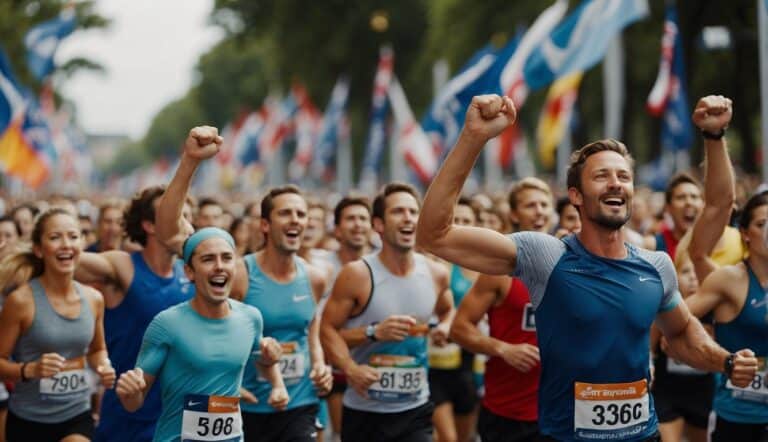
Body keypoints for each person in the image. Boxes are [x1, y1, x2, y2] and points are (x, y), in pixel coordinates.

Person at [416, 94, 758, 441]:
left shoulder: (657, 265)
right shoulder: (546, 255)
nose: (615, 183)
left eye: (623, 176)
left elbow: (682, 333)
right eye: (602, 176)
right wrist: (473, 138)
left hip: (643, 434)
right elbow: (434, 235)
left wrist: (724, 362)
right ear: (575, 195)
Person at [155, 127, 332, 442]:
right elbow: (170, 232)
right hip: (240, 407)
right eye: (286, 213)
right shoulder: (234, 273)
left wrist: (320, 365)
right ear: (265, 224)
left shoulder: (315, 277)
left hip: (298, 402)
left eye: (301, 214)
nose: (296, 220)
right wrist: (189, 162)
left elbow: (311, 331)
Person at [114, 227, 286, 442]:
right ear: (189, 272)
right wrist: (129, 392)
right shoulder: (167, 324)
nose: (219, 267)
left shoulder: (251, 318)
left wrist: (275, 377)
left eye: (226, 258)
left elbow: (260, 357)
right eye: (208, 259)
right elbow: (133, 403)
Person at [321, 182, 454, 442]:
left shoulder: (436, 273)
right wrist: (354, 363)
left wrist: (445, 328)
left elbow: (448, 311)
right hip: (365, 412)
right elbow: (327, 330)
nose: (408, 218)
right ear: (379, 225)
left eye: (413, 212)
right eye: (398, 212)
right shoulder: (357, 275)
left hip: (416, 408)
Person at [75, 187, 196, 442]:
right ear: (150, 225)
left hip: (178, 416)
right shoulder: (123, 266)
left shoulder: (192, 274)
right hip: (126, 417)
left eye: (187, 216)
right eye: (177, 217)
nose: (187, 225)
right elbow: (64, 262)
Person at [0, 208, 116, 441]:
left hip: (77, 414)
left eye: (73, 236)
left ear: (82, 244)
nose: (66, 244)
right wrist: (29, 370)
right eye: (55, 237)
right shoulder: (21, 301)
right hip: (28, 419)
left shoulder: (94, 299)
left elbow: (97, 349)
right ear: (39, 250)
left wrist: (103, 366)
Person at [686, 190, 768, 441]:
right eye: (762, 224)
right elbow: (675, 318)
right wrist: (704, 337)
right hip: (736, 416)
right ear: (745, 233)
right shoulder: (729, 279)